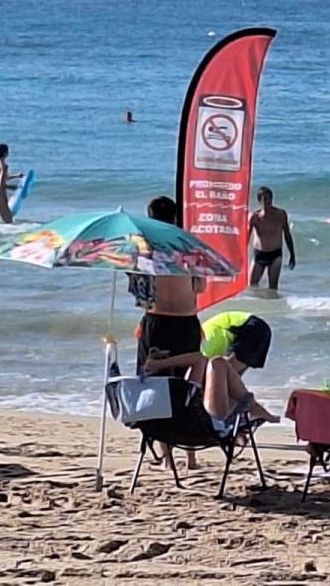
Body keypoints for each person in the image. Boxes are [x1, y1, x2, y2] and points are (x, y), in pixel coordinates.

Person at [132, 195, 206, 468]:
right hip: (188, 321)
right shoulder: (187, 243)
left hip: (158, 321)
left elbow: (141, 295)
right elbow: (201, 288)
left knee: (156, 386)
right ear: (175, 218)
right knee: (187, 385)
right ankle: (191, 455)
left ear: (150, 217)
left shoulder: (142, 247)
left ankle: (166, 459)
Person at [143, 310, 279, 425]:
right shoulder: (202, 338)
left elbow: (201, 362)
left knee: (221, 376)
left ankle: (254, 412)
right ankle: (246, 415)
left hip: (251, 329)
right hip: (256, 329)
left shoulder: (204, 345)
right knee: (229, 382)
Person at [248, 187, 296, 291]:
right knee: (252, 285)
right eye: (264, 199)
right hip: (259, 255)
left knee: (273, 288)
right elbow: (246, 238)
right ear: (259, 201)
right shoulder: (254, 217)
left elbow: (287, 234)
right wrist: (240, 257)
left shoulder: (281, 214)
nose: (267, 202)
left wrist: (292, 254)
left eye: (269, 199)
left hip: (275, 255)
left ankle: (273, 305)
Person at [0, 143, 23, 223]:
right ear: (6, 153)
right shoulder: (4, 166)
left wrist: (16, 176)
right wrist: (13, 188)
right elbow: (0, 184)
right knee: (9, 224)